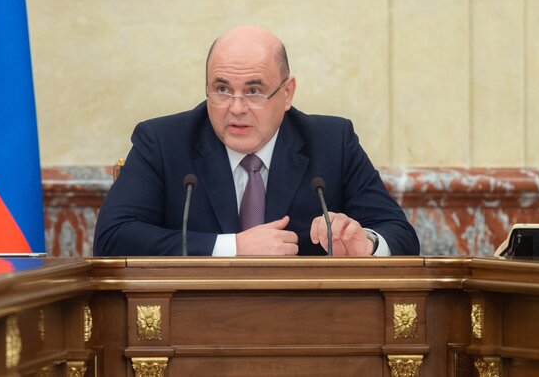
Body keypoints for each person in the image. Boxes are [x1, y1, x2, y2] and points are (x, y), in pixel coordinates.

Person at [94, 26, 419, 256]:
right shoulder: (163, 143)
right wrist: (234, 247)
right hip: (193, 319)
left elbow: (400, 235)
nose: (236, 108)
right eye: (222, 89)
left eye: (254, 91)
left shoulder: (332, 142)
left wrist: (367, 244)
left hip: (307, 318)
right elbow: (112, 238)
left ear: (287, 93)